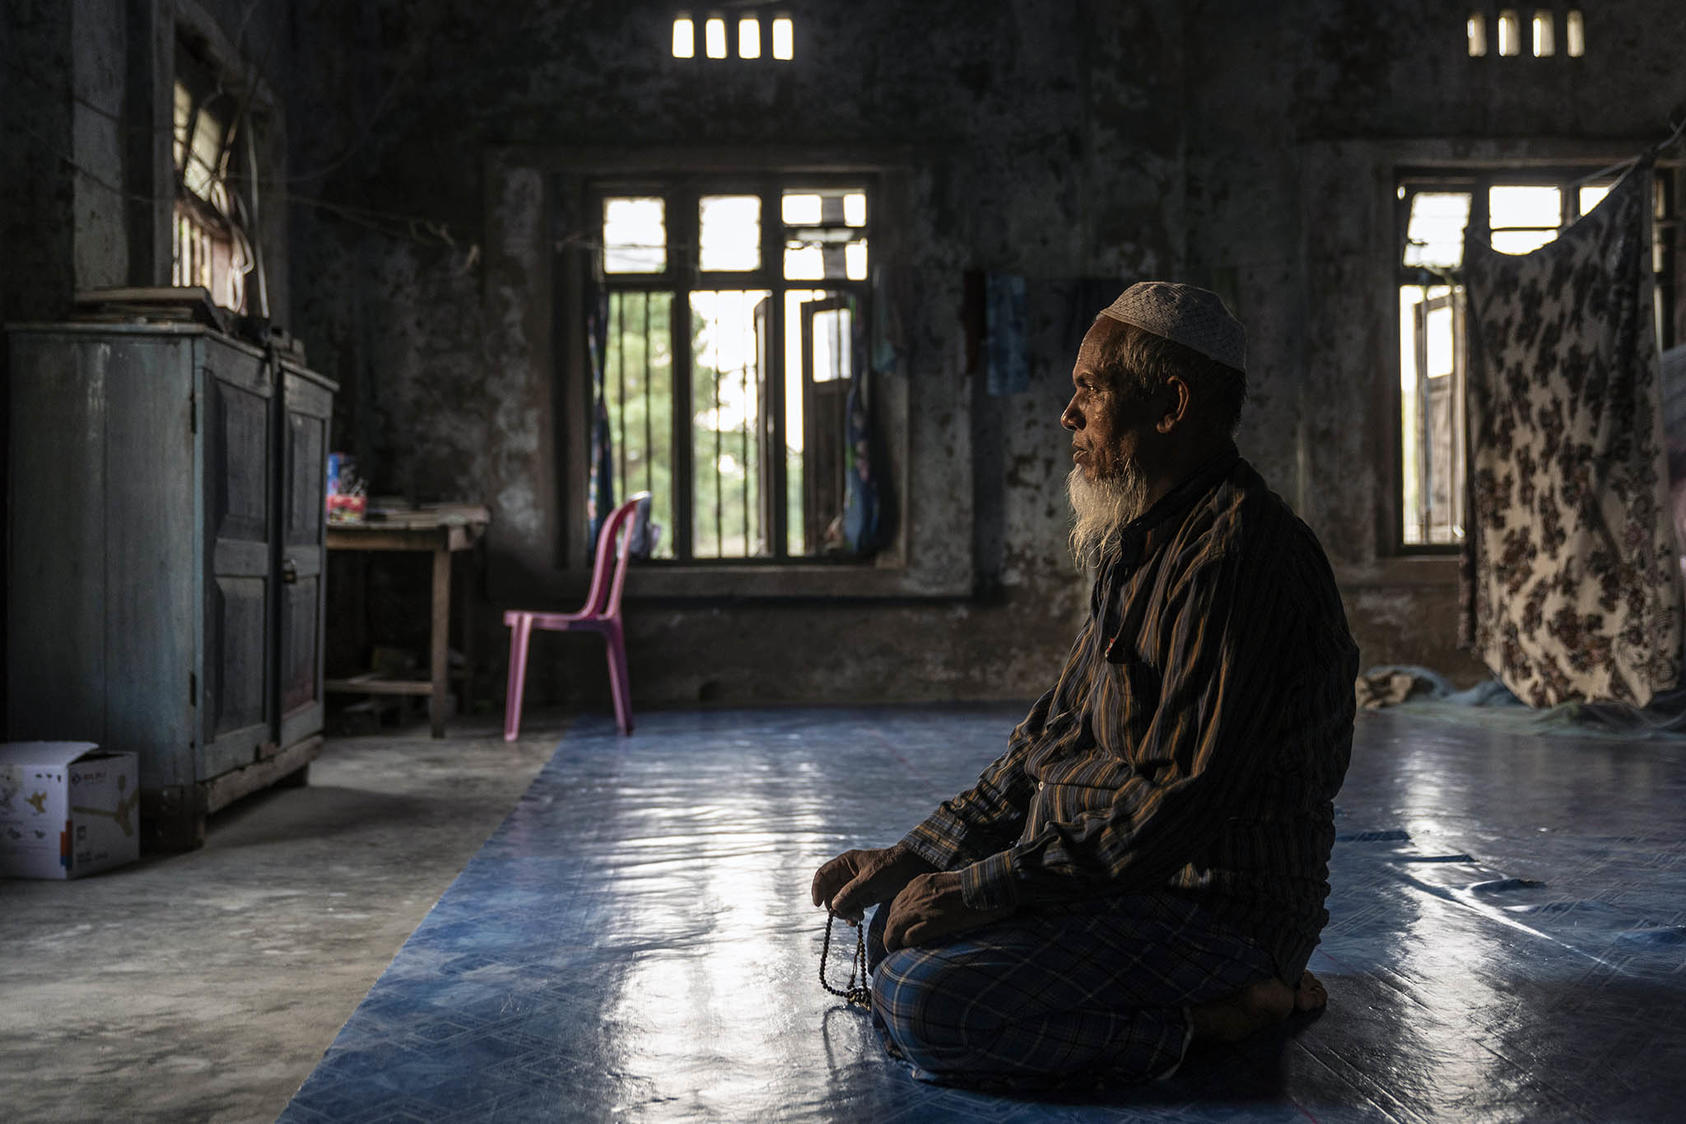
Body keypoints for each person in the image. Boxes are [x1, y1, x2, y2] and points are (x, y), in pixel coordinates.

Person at [811, 281, 1358, 1088]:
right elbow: (1044, 746)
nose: (1067, 416)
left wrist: (978, 889)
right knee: (893, 927)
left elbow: (1171, 811)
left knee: (930, 1001)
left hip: (1208, 907)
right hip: (1123, 885)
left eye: (1090, 392)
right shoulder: (1136, 542)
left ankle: (1221, 1012)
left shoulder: (1238, 559)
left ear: (1169, 405)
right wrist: (918, 856)